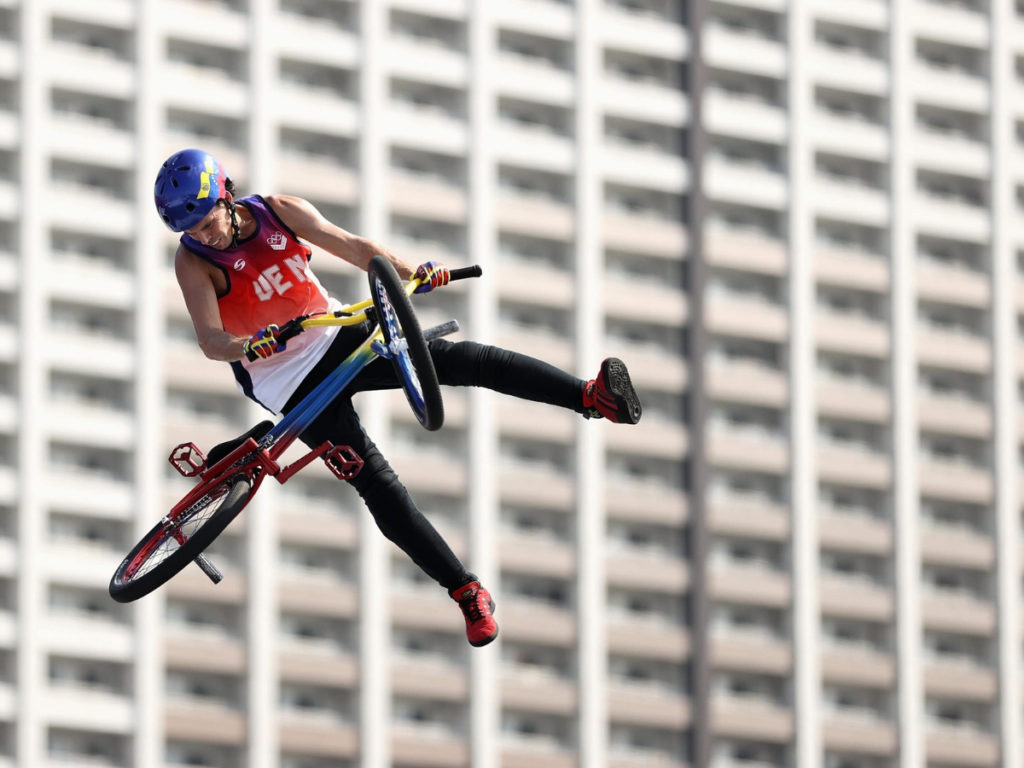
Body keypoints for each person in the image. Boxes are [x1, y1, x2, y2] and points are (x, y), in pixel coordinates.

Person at [155, 148, 642, 647]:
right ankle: (466, 592)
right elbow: (211, 340)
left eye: (206, 219)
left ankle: (592, 397)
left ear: (226, 195)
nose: (202, 234)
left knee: (459, 359)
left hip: (332, 333)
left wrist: (412, 272)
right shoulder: (193, 261)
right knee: (377, 482)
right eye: (189, 229)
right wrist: (249, 345)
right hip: (283, 377)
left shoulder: (276, 210)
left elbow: (353, 246)